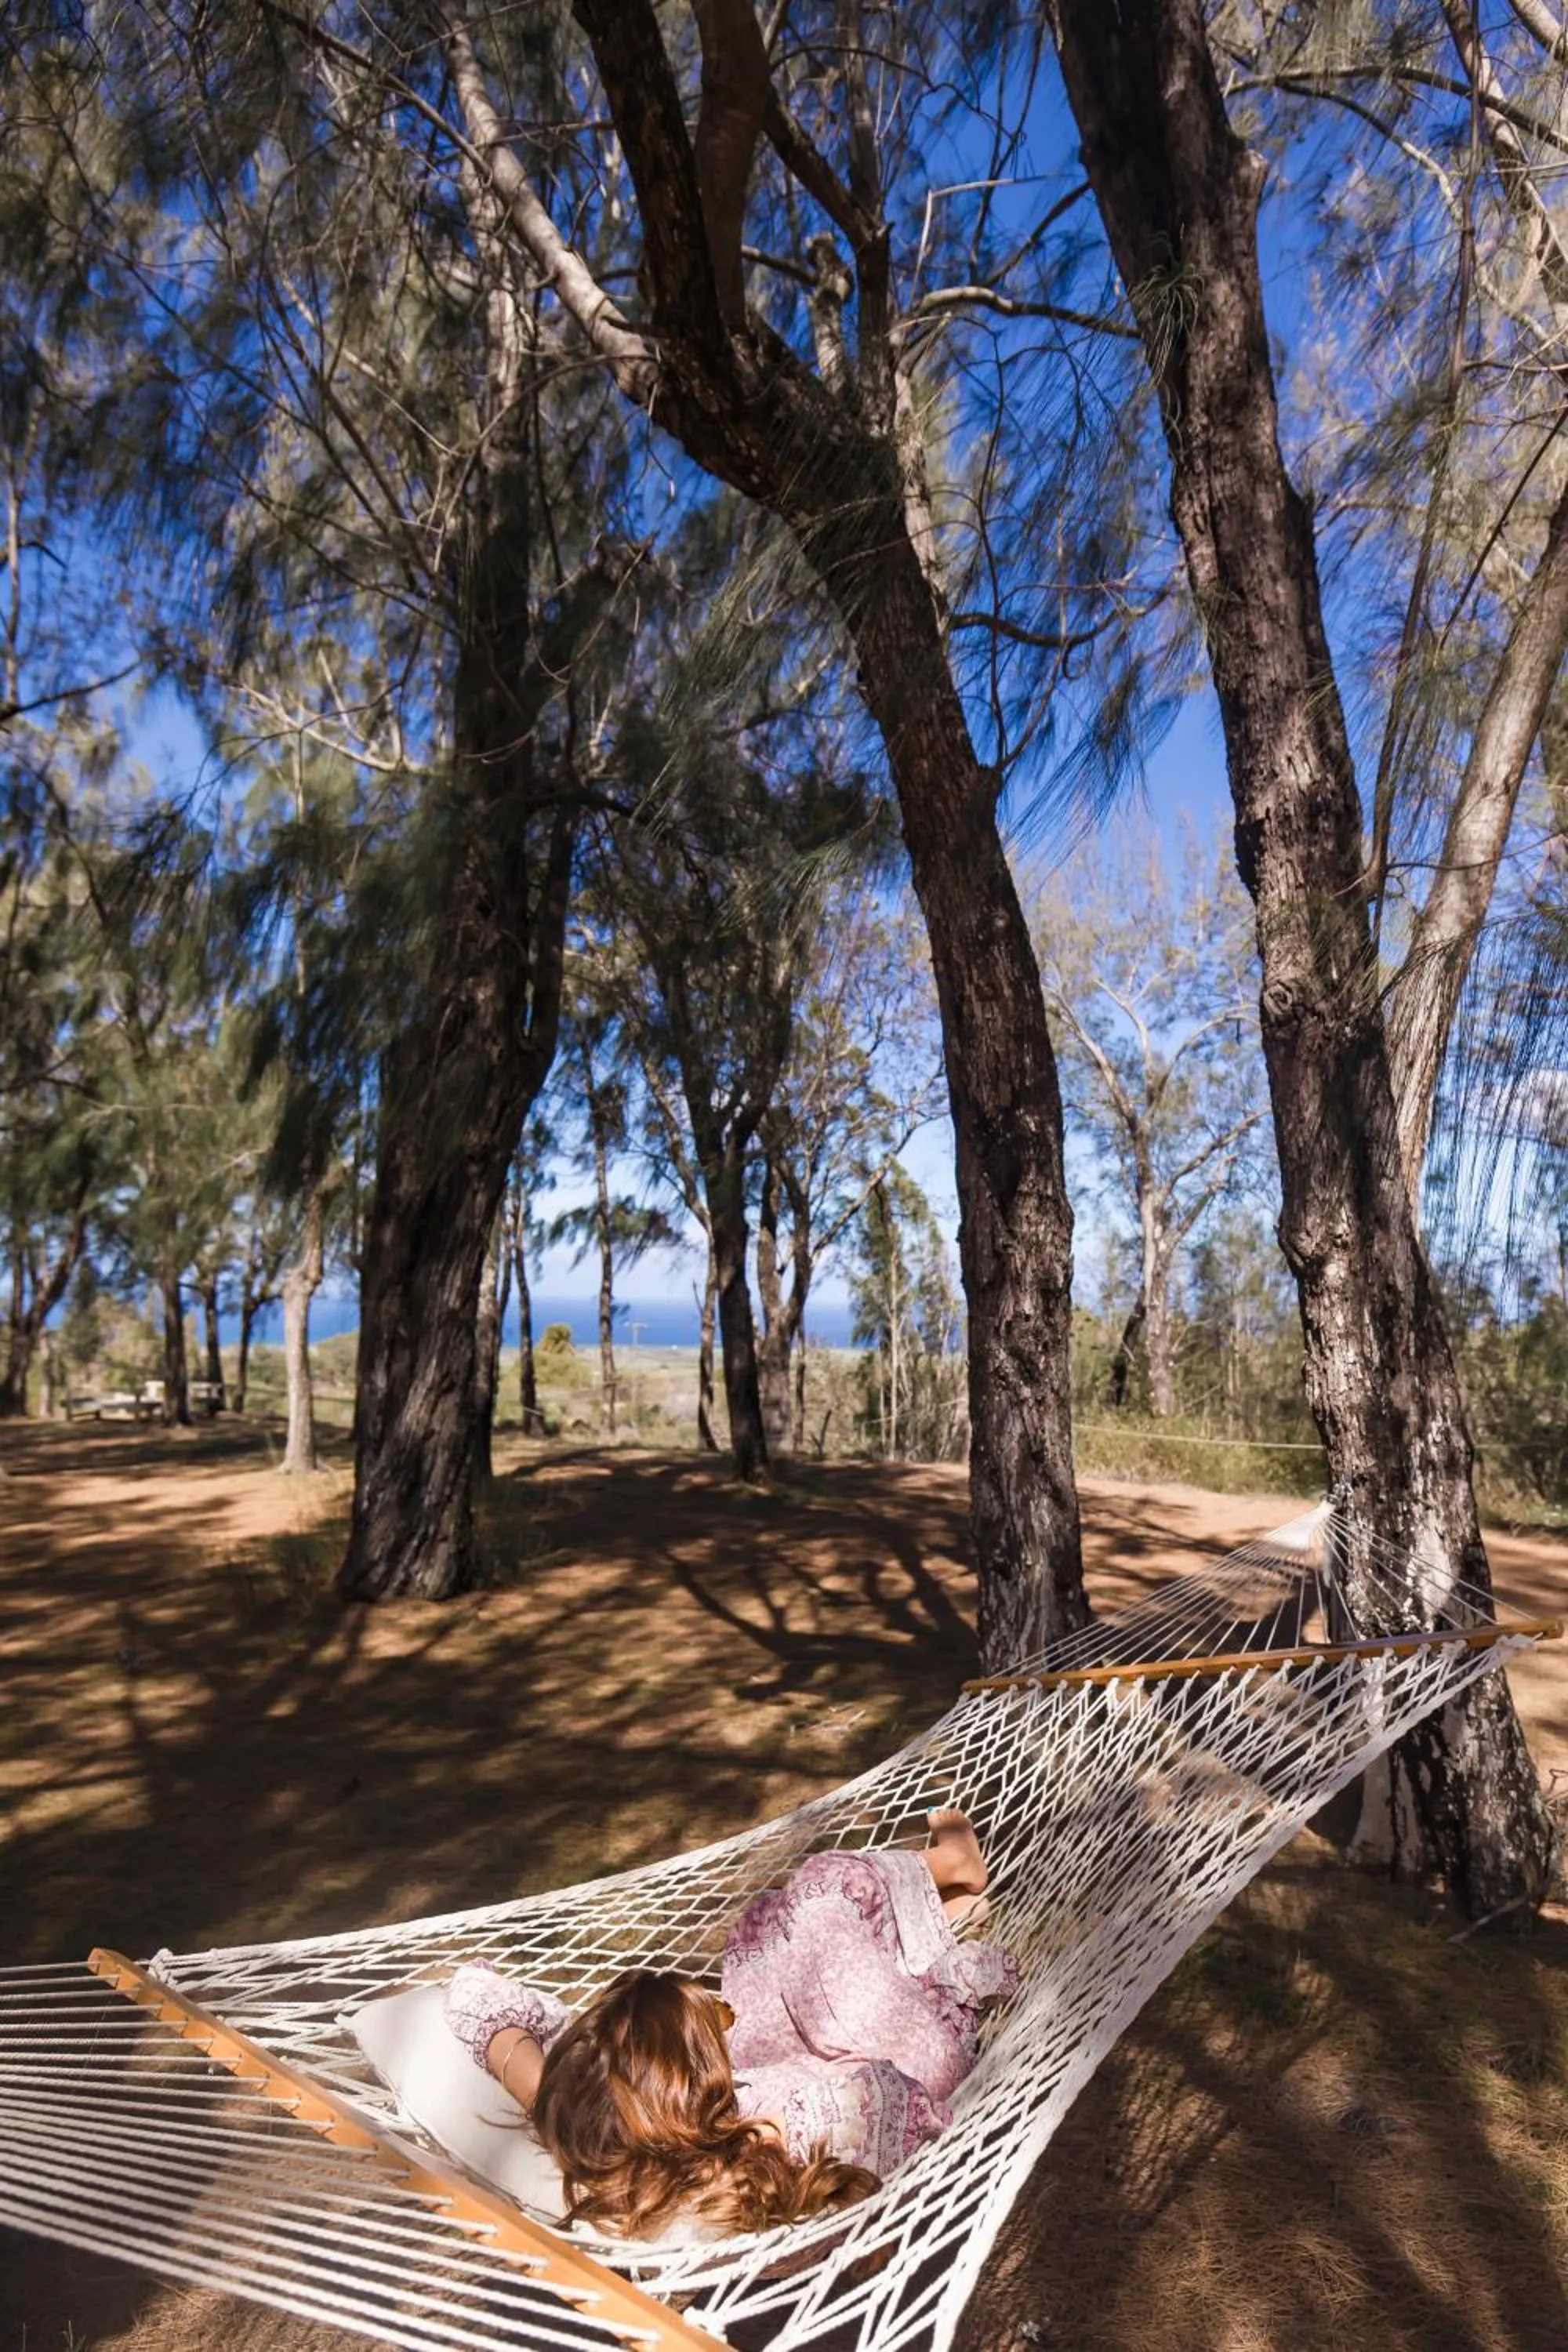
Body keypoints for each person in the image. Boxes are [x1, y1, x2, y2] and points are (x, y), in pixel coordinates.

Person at [443, 1809, 1015, 2241]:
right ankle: (946, 1870)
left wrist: (531, 2073)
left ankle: (939, 1918)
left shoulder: (589, 2129)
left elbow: (476, 2004)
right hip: (898, 2050)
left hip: (813, 2058)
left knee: (790, 1950)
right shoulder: (777, 2144)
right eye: (716, 2022)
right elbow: (904, 2098)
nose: (724, 2022)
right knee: (819, 1891)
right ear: (686, 2084)